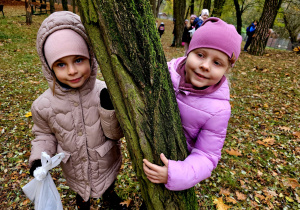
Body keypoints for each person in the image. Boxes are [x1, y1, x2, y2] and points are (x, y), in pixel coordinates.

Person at [28, 11, 126, 209]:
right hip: (74, 169)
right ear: (49, 67)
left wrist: (109, 110)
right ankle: (83, 202)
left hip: (105, 162)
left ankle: (110, 197)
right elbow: (43, 135)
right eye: (61, 64)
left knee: (108, 185)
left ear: (90, 57)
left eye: (78, 60)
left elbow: (116, 134)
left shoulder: (104, 91)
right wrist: (39, 159)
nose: (72, 71)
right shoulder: (42, 105)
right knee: (81, 193)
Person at [143, 17, 242, 191]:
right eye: (200, 55)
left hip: (174, 162)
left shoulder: (218, 110)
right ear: (188, 51)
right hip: (146, 148)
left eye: (217, 63)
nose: (205, 66)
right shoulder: (166, 71)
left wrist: (176, 173)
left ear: (227, 69)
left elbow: (207, 155)